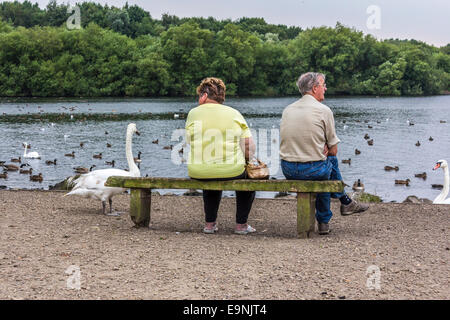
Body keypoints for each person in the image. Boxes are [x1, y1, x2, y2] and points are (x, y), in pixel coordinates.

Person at [280, 72, 369, 235]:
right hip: (312, 170)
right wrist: (326, 149)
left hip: (288, 169)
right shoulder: (323, 111)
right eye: (323, 85)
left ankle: (330, 218)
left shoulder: (287, 110)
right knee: (330, 163)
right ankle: (340, 206)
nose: (326, 88)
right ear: (315, 88)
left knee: (325, 170)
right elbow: (334, 151)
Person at [185, 77, 257, 235]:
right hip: (231, 170)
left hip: (198, 170)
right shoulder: (234, 114)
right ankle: (241, 225)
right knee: (246, 180)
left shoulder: (193, 113)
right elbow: (248, 147)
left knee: (209, 172)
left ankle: (209, 224)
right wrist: (245, 160)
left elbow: (189, 142)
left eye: (199, 96)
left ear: (204, 95)